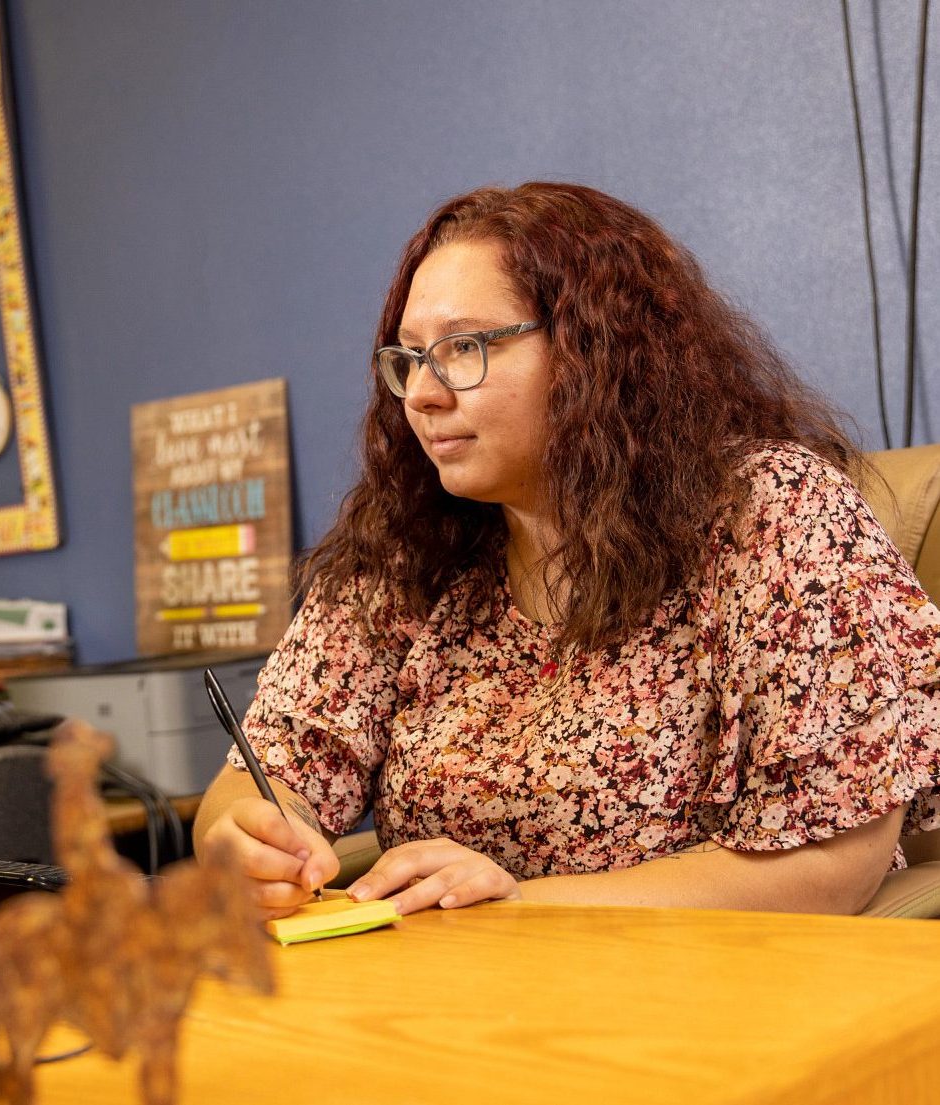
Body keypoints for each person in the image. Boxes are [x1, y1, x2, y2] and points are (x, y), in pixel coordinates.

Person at [192, 182, 940, 920]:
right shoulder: (403, 550)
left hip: (710, 997)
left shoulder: (770, 512)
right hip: (450, 1001)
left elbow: (829, 864)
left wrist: (521, 903)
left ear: (596, 350)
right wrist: (247, 838)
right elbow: (265, 774)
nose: (419, 392)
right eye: (408, 358)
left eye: (461, 348)